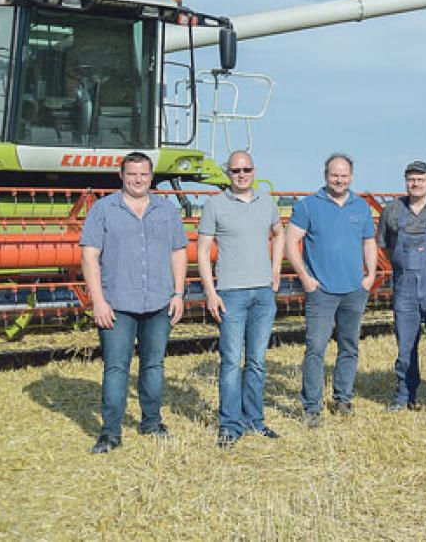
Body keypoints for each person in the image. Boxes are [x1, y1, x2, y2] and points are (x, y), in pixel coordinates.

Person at [79, 152, 187, 454]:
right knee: (116, 368)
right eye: (132, 174)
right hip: (117, 304)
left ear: (151, 177)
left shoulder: (167, 210)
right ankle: (110, 433)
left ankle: (151, 422)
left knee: (154, 365)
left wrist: (178, 294)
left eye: (143, 174)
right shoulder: (103, 210)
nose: (137, 180)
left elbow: (178, 252)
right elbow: (89, 256)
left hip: (159, 303)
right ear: (121, 176)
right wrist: (97, 301)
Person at [197, 150, 285, 448]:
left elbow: (279, 233)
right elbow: (202, 251)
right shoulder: (214, 205)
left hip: (263, 293)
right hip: (231, 294)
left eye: (246, 169)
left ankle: (254, 420)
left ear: (254, 170)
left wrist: (275, 270)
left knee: (258, 361)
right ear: (228, 173)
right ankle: (229, 425)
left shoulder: (266, 202)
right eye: (236, 171)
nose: (242, 174)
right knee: (232, 362)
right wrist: (210, 291)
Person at [285, 153, 377, 428]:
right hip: (321, 291)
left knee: (349, 347)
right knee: (316, 348)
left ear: (351, 176)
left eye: (344, 175)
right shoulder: (308, 206)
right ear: (326, 176)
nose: (339, 179)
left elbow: (369, 242)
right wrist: (305, 278)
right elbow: (292, 243)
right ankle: (312, 407)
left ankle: (342, 398)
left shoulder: (360, 207)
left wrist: (370, 276)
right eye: (334, 175)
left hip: (354, 289)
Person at [377, 160, 426, 411]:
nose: (416, 183)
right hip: (405, 287)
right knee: (406, 345)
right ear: (405, 181)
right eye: (411, 179)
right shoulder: (393, 211)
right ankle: (404, 396)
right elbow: (386, 247)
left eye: (421, 179)